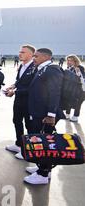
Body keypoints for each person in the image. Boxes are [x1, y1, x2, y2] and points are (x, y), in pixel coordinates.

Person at [24, 48, 65, 185]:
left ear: (46, 57)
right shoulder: (43, 68)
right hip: (40, 112)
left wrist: (51, 115)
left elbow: (54, 93)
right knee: (41, 141)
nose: (33, 58)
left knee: (45, 143)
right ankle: (42, 168)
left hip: (45, 114)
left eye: (36, 56)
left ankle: (43, 174)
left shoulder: (52, 69)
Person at [4, 45, 37, 160]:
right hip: (19, 100)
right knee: (16, 121)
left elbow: (33, 87)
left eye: (23, 52)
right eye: (19, 51)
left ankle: (27, 150)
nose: (20, 53)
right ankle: (19, 144)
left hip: (29, 102)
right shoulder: (22, 65)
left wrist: (15, 91)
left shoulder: (35, 67)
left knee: (29, 125)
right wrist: (12, 86)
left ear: (31, 54)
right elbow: (19, 81)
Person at [65, 55, 85, 122]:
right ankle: (67, 114)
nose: (69, 62)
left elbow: (82, 78)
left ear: (75, 61)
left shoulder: (80, 68)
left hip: (81, 90)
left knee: (78, 103)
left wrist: (78, 74)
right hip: (73, 89)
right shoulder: (70, 68)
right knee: (69, 101)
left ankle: (75, 116)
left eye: (71, 60)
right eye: (68, 60)